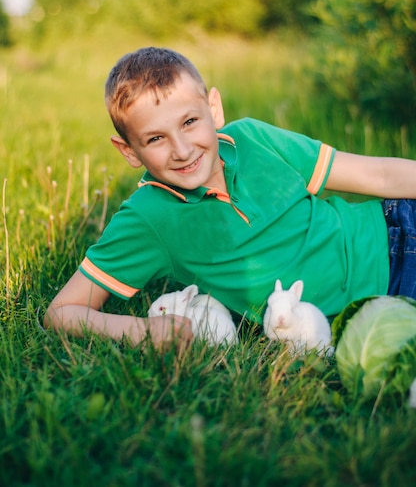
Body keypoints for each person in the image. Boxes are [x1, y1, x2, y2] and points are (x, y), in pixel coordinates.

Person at [44, 46, 416, 348]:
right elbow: (62, 311)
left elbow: (377, 174)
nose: (182, 149)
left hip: (394, 226)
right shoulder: (148, 217)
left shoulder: (254, 139)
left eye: (189, 122)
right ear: (128, 151)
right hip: (379, 302)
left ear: (214, 109)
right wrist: (143, 332)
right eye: (156, 139)